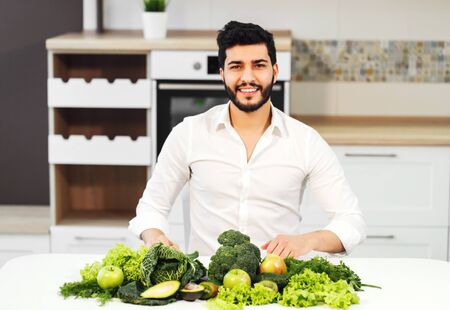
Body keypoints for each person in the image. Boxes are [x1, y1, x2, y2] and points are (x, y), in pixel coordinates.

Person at [129, 21, 366, 258]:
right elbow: (152, 206)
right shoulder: (189, 133)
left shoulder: (306, 141)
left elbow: (351, 222)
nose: (248, 77)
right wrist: (155, 236)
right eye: (236, 66)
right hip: (207, 287)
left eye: (259, 65)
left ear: (274, 71)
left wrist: (308, 240)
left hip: (278, 283)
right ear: (223, 74)